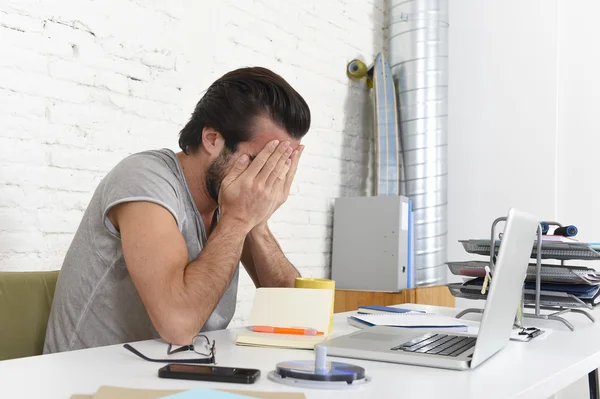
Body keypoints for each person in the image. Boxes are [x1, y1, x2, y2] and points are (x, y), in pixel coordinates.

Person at [43, 67, 311, 353]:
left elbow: (295, 316)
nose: (265, 178)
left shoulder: (231, 201)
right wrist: (242, 217)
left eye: (277, 164)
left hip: (171, 373)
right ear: (212, 139)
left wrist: (256, 220)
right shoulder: (144, 179)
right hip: (87, 381)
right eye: (259, 161)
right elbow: (178, 325)